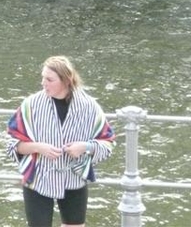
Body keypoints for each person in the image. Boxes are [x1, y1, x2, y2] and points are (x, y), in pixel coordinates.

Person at [6, 56, 116, 227]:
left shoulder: (89, 106)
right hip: (38, 178)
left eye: (49, 79)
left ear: (66, 81)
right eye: (43, 77)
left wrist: (85, 147)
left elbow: (108, 143)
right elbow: (13, 144)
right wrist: (38, 147)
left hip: (74, 178)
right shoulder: (31, 105)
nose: (43, 83)